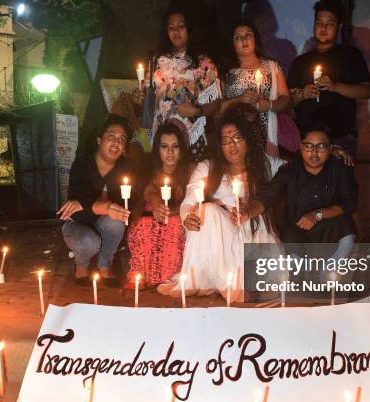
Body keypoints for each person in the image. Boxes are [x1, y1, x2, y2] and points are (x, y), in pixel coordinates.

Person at [158, 108, 283, 301]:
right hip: (220, 232)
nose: (232, 145)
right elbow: (189, 201)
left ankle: (238, 284)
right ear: (219, 145)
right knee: (207, 211)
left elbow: (291, 169)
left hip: (252, 230)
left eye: (237, 138)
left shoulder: (264, 164)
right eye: (225, 140)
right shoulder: (207, 167)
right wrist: (186, 218)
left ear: (247, 140)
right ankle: (226, 284)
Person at [240, 122, 358, 279]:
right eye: (309, 146)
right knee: (295, 271)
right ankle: (300, 276)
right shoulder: (289, 171)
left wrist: (317, 215)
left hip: (331, 229)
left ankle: (330, 274)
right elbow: (267, 196)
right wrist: (248, 212)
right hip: (298, 231)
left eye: (321, 147)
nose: (314, 152)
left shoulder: (340, 168)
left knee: (347, 228)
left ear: (330, 149)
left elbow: (350, 202)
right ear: (301, 147)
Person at [132, 5, 221, 161]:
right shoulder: (157, 61)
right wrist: (138, 97)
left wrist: (196, 111)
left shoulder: (204, 64)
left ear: (190, 29)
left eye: (181, 26)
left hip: (190, 136)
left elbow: (217, 104)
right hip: (159, 134)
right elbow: (148, 98)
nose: (176, 31)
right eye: (171, 27)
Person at [287, 0, 370, 155]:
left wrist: (335, 87)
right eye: (319, 23)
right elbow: (287, 101)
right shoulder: (300, 62)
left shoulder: (351, 55)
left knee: (340, 178)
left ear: (339, 26)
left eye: (329, 24)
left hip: (341, 138)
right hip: (307, 141)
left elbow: (366, 91)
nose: (323, 28)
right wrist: (303, 94)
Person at [58, 115, 132, 284]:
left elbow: (124, 204)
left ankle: (105, 263)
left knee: (117, 221)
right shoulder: (82, 165)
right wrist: (104, 207)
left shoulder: (125, 168)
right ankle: (81, 264)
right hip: (78, 225)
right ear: (99, 140)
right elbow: (76, 211)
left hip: (103, 224)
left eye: (122, 139)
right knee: (89, 241)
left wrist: (95, 206)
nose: (116, 143)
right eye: (111, 137)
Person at [126, 123, 193, 288]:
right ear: (158, 149)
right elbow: (148, 190)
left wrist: (173, 212)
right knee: (143, 224)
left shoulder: (189, 170)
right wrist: (156, 203)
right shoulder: (150, 167)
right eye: (164, 146)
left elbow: (193, 198)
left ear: (181, 150)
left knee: (175, 225)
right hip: (152, 213)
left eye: (175, 146)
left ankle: (169, 276)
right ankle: (140, 275)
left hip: (179, 214)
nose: (170, 152)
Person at [220, 19, 291, 158]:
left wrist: (269, 104)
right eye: (238, 37)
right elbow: (218, 108)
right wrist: (238, 100)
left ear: (255, 39)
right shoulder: (225, 72)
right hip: (234, 136)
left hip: (266, 134)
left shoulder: (272, 67)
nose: (244, 39)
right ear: (232, 43)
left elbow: (287, 101)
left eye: (248, 35)